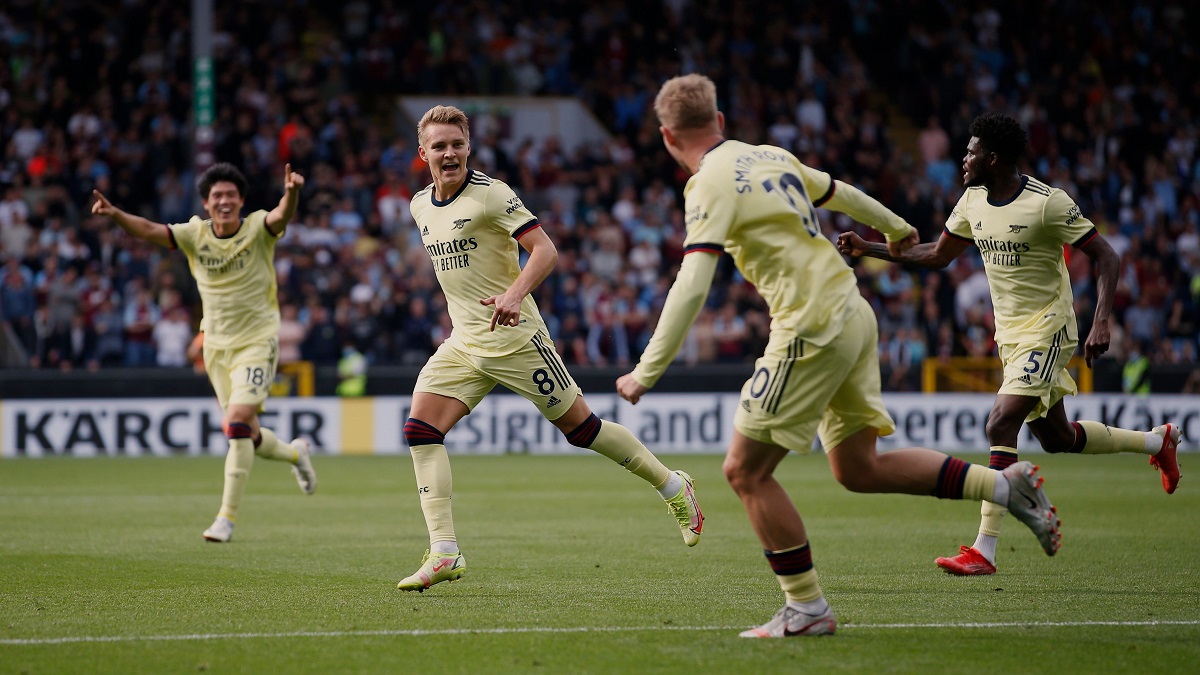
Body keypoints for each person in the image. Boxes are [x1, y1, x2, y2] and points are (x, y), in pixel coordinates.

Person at [616, 74, 1061, 639]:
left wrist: (646, 369)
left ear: (665, 137)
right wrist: (897, 228)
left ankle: (805, 608)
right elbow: (838, 192)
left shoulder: (706, 185)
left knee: (744, 471)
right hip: (852, 313)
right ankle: (1004, 486)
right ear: (721, 122)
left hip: (810, 326)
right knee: (858, 467)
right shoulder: (769, 156)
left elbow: (692, 282)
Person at [837, 112, 1182, 576]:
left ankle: (985, 548)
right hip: (1012, 335)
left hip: (1050, 326)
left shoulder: (1047, 203)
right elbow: (937, 255)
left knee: (1001, 423)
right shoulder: (972, 201)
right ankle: (1157, 441)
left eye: (972, 151)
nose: (964, 158)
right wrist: (869, 248)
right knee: (1057, 438)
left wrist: (1101, 322)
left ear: (993, 158)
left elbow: (1107, 256)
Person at [397, 105, 704, 592]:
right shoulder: (418, 205)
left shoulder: (492, 195)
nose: (449, 153)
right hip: (464, 343)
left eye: (457, 143)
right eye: (439, 145)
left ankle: (673, 486)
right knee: (420, 430)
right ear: (424, 153)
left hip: (517, 338)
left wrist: (514, 295)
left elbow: (546, 250)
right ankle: (444, 551)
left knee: (582, 430)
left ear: (468, 147)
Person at [91, 162, 318, 542]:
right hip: (215, 345)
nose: (225, 201)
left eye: (231, 195)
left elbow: (282, 214)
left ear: (241, 201)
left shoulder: (258, 228)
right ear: (206, 203)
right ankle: (297, 455)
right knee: (248, 434)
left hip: (256, 342)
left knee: (239, 422)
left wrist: (292, 192)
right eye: (217, 196)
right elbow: (149, 230)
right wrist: (115, 215)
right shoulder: (195, 234)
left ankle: (225, 518)